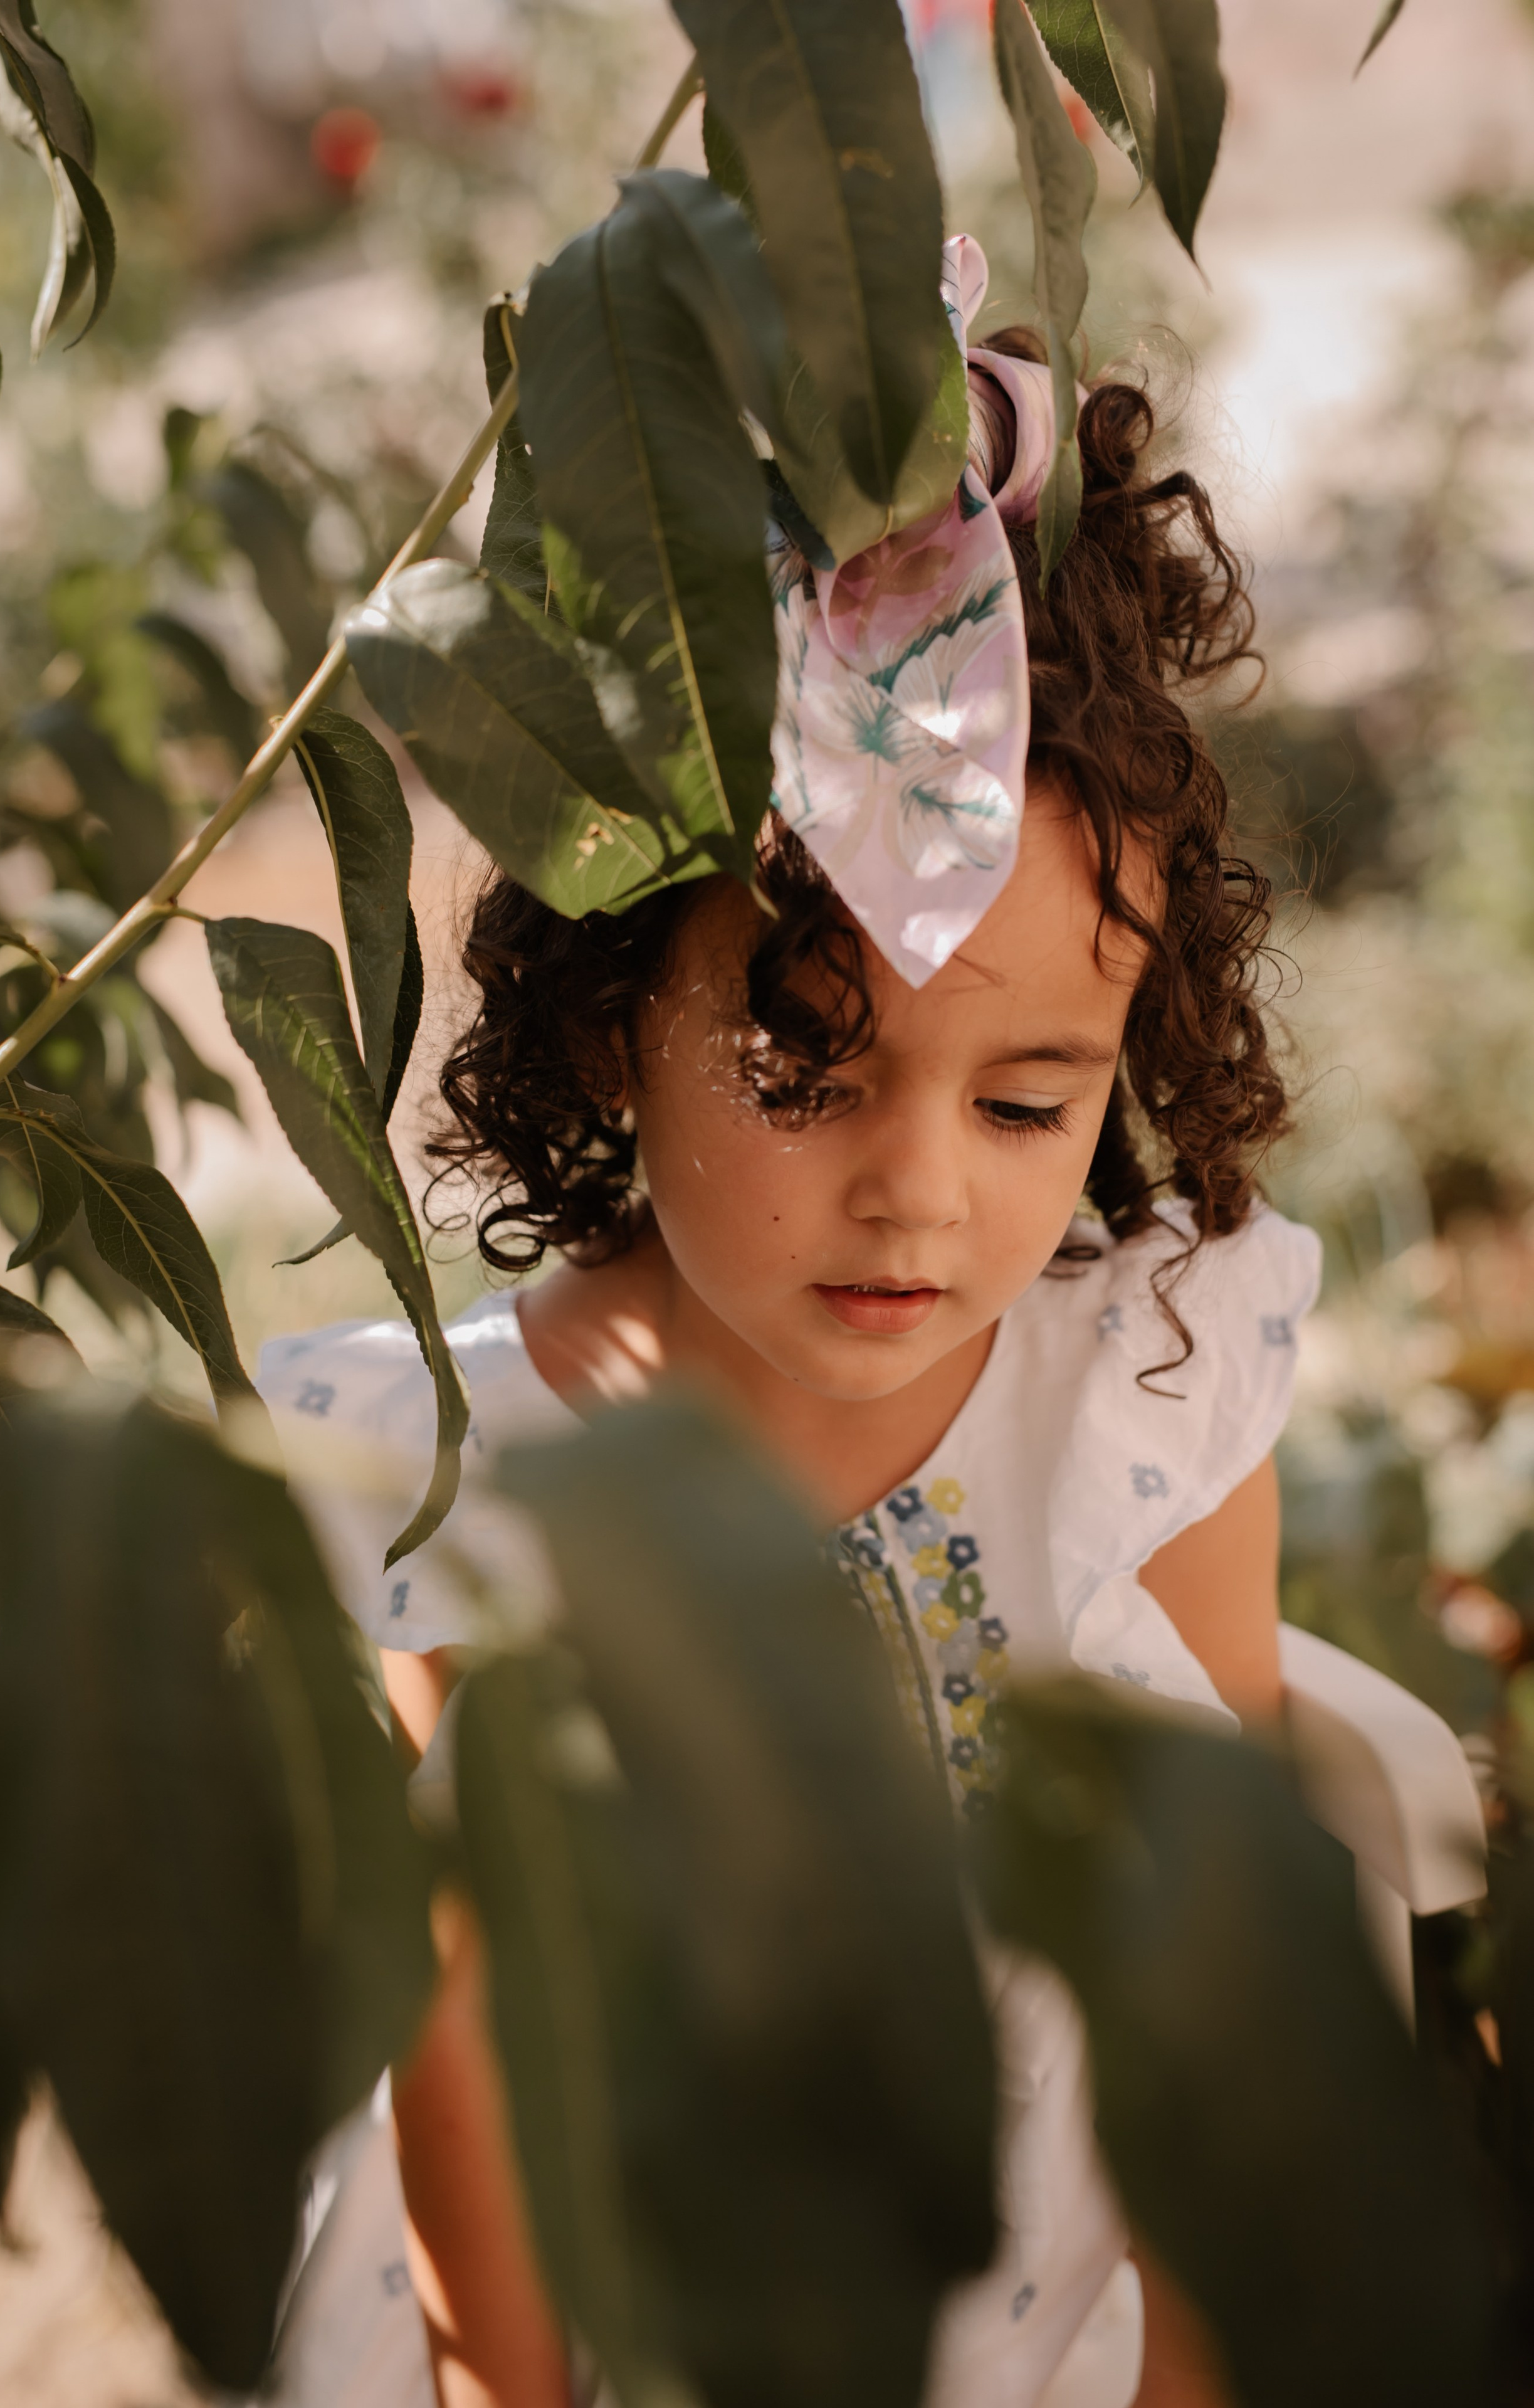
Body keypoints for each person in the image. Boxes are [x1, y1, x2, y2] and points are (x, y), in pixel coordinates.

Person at [258, 237, 1317, 2408]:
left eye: (1030, 1098)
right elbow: (451, 2068)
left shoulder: (1155, 1396)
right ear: (610, 1014)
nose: (922, 1187)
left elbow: (1239, 1995)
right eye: (807, 1073)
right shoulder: (449, 1485)